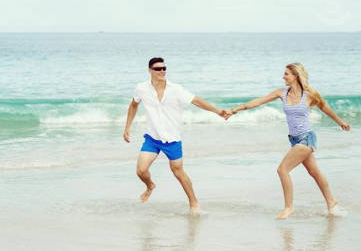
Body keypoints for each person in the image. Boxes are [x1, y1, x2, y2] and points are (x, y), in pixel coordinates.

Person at [222, 63, 351, 220]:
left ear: (296, 76)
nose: (283, 77)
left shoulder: (309, 95)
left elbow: (326, 109)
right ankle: (331, 202)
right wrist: (234, 110)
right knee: (314, 172)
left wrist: (341, 122)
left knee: (282, 170)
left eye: (286, 74)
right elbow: (257, 102)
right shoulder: (281, 93)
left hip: (306, 138)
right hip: (294, 139)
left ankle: (289, 208)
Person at [123, 57, 223, 214]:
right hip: (152, 138)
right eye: (157, 69)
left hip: (172, 139)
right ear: (149, 70)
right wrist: (127, 127)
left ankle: (194, 204)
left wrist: (218, 112)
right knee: (141, 171)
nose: (162, 71)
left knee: (178, 171)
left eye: (164, 68)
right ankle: (150, 186)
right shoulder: (141, 88)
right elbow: (134, 104)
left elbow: (196, 101)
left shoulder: (176, 89)